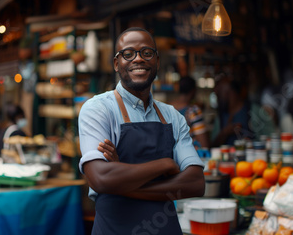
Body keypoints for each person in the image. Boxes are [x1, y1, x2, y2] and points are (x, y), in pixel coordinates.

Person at [78, 27, 205, 234]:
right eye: (128, 54)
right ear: (116, 64)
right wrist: (165, 164)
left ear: (157, 61)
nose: (138, 59)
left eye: (147, 53)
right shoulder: (98, 109)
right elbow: (100, 178)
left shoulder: (173, 116)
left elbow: (195, 183)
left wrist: (122, 181)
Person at [212, 76, 252, 146]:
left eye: (220, 92)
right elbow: (212, 146)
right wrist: (225, 133)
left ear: (230, 92)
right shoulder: (220, 117)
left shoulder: (253, 111)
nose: (216, 94)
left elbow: (269, 138)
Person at [174, 76, 210, 148]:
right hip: (187, 156)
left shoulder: (166, 108)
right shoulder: (193, 111)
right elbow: (204, 145)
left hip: (169, 157)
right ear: (193, 91)